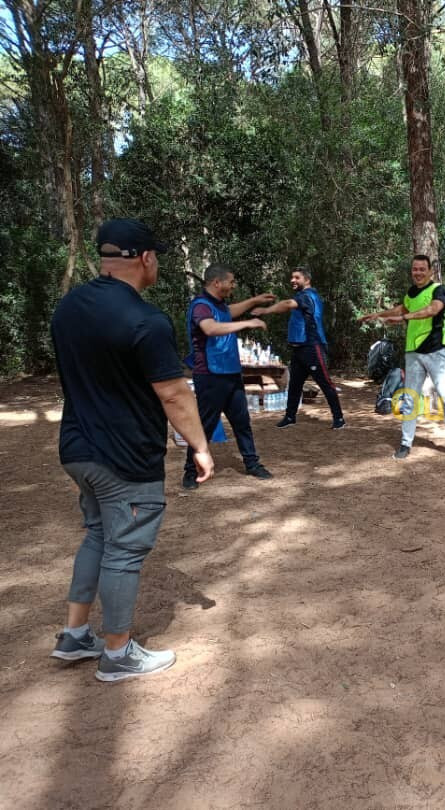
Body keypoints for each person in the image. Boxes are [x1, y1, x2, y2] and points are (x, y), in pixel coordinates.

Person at [50, 218, 215, 682]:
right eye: (156, 256)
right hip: (125, 458)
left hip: (78, 449)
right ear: (144, 259)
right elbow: (174, 394)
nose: (157, 263)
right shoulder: (146, 320)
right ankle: (118, 654)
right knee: (123, 549)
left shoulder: (68, 309)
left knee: (99, 536)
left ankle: (75, 634)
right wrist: (200, 447)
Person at [357, 254, 445, 459]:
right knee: (410, 398)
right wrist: (379, 315)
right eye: (415, 269)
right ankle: (405, 444)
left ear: (430, 271)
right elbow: (402, 308)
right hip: (413, 353)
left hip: (436, 352)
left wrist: (403, 317)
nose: (418, 273)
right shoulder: (411, 293)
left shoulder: (438, 290)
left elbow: (432, 309)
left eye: (422, 269)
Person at [180, 264, 276, 489]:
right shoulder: (200, 306)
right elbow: (211, 328)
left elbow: (229, 312)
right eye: (231, 282)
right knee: (204, 424)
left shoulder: (220, 305)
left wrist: (254, 301)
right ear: (217, 282)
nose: (233, 285)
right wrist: (249, 323)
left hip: (231, 373)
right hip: (210, 375)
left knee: (242, 421)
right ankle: (190, 471)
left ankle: (252, 463)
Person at [252, 267, 346, 430]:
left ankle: (339, 418)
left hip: (312, 346)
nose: (292, 280)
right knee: (295, 384)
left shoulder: (308, 296)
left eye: (297, 277)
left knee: (325, 383)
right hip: (299, 348)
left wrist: (266, 310)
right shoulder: (303, 296)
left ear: (307, 280)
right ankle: (290, 417)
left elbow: (288, 304)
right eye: (292, 277)